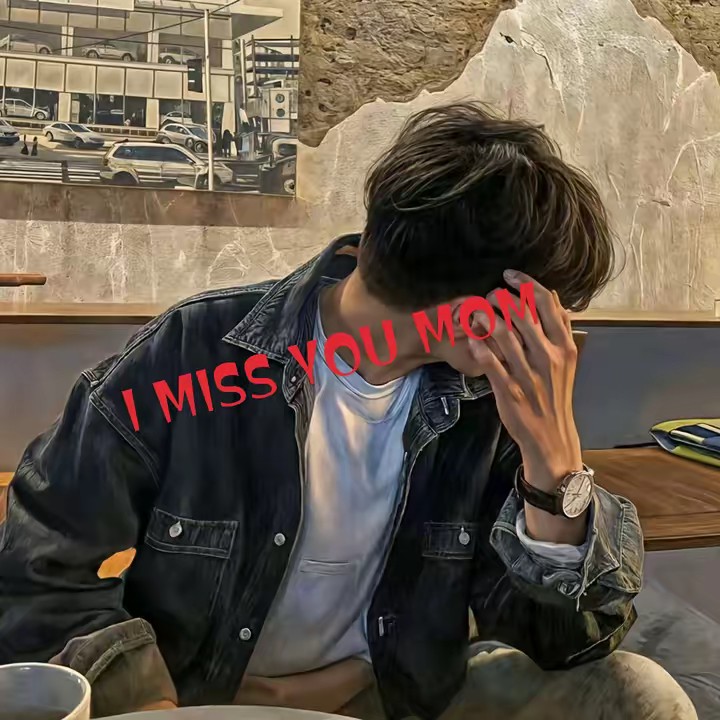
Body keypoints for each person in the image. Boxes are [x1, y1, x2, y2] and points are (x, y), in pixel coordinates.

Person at [0, 103, 697, 720]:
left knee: (638, 694)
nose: (556, 335)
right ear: (485, 314)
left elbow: (564, 643)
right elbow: (40, 567)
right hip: (201, 698)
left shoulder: (489, 403)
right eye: (549, 310)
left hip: (402, 695)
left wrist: (555, 469)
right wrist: (156, 708)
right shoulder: (194, 354)